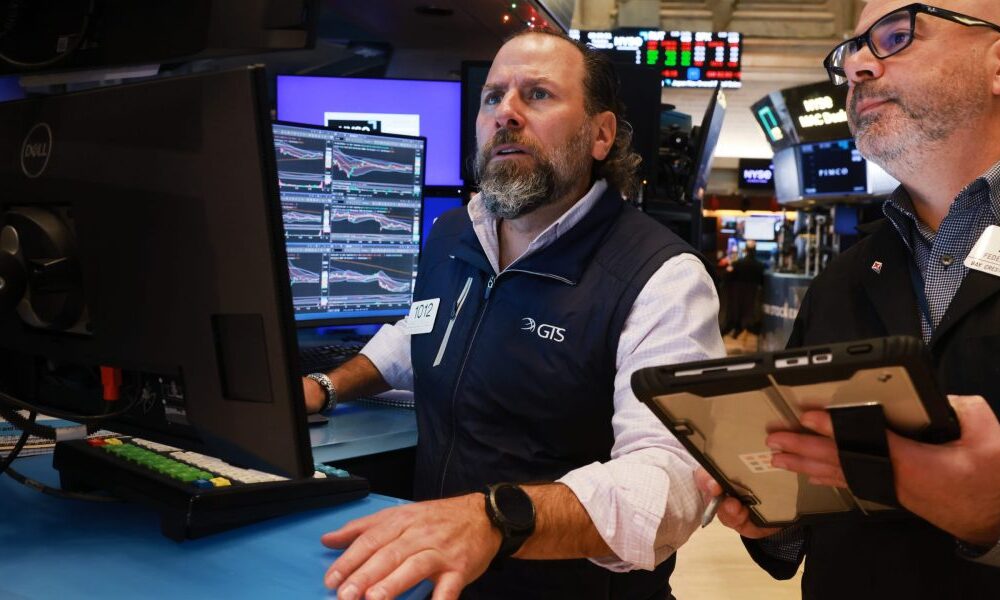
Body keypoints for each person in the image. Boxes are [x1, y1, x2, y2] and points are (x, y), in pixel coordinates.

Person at [302, 30, 725, 599]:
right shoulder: (454, 232)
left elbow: (670, 483)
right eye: (493, 97)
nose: (506, 112)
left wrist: (494, 520)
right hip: (440, 577)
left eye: (538, 94)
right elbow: (419, 332)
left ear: (601, 135)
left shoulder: (661, 277)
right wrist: (326, 386)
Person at [698, 1, 1000, 597]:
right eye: (851, 50)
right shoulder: (844, 278)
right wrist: (770, 509)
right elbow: (805, 530)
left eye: (897, 35)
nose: (857, 65)